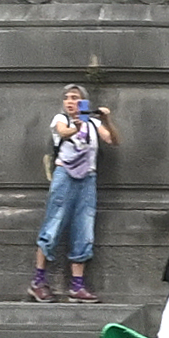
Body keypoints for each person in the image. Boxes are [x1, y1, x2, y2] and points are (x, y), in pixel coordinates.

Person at [32, 77, 110, 304]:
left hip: (87, 179)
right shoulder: (61, 119)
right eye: (67, 98)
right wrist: (76, 124)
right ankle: (38, 281)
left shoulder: (94, 125)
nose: (70, 102)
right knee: (53, 225)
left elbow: (113, 139)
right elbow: (63, 132)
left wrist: (107, 119)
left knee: (84, 229)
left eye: (75, 98)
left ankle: (77, 286)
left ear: (84, 102)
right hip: (64, 176)